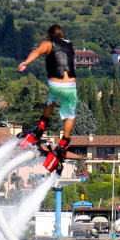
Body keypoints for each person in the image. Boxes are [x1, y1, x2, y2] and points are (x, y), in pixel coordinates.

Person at [17, 24, 77, 165]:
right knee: (70, 115)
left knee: (52, 99)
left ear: (50, 35)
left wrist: (25, 62)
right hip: (70, 85)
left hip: (55, 83)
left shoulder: (48, 43)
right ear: (62, 35)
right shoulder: (70, 45)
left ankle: (40, 129)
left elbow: (36, 52)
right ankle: (62, 145)